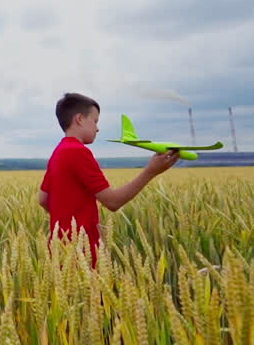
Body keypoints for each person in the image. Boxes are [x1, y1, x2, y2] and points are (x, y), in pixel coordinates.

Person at [38, 93, 180, 265]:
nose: (97, 128)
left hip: (59, 250)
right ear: (80, 119)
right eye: (95, 121)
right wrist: (151, 171)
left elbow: (43, 199)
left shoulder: (58, 152)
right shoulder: (79, 152)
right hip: (83, 254)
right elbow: (112, 202)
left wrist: (66, 224)